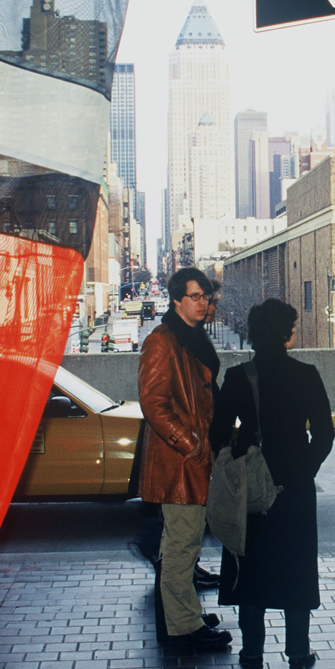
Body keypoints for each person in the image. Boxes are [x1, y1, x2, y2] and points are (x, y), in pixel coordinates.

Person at [212, 298, 335, 669]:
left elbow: (218, 433)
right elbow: (326, 434)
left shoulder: (236, 377)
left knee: (251, 567)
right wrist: (304, 469)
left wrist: (238, 458)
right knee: (296, 567)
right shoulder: (307, 373)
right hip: (294, 487)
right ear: (285, 332)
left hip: (250, 486)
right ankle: (298, 651)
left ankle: (251, 654)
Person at [138, 267, 231, 648]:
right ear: (176, 299)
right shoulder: (162, 340)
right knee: (181, 546)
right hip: (180, 463)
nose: (203, 303)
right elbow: (153, 403)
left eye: (206, 297)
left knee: (184, 544)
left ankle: (183, 614)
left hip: (192, 460)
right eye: (195, 296)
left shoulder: (189, 337)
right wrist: (191, 444)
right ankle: (182, 628)